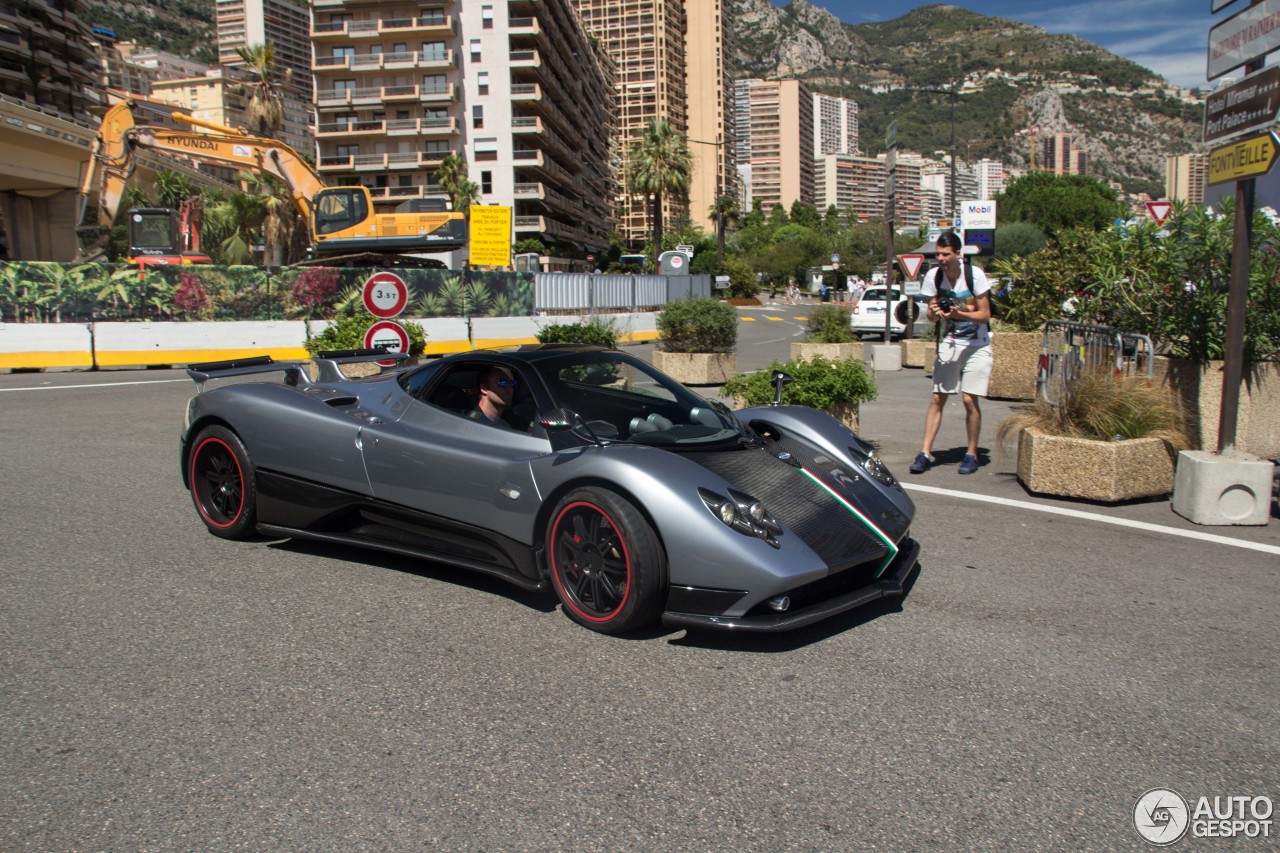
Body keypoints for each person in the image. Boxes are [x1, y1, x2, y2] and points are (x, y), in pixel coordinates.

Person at [909, 231, 992, 475]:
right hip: (951, 341)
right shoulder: (934, 277)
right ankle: (925, 452)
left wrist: (959, 314)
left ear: (958, 254)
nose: (941, 258)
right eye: (938, 254)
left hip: (978, 344)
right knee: (937, 397)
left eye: (946, 254)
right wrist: (935, 311)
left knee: (969, 398)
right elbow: (932, 316)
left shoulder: (973, 275)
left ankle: (971, 453)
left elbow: (985, 315)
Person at [468, 365, 516, 430]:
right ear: (484, 388)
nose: (510, 389)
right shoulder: (472, 425)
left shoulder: (507, 421)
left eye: (513, 383)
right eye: (503, 383)